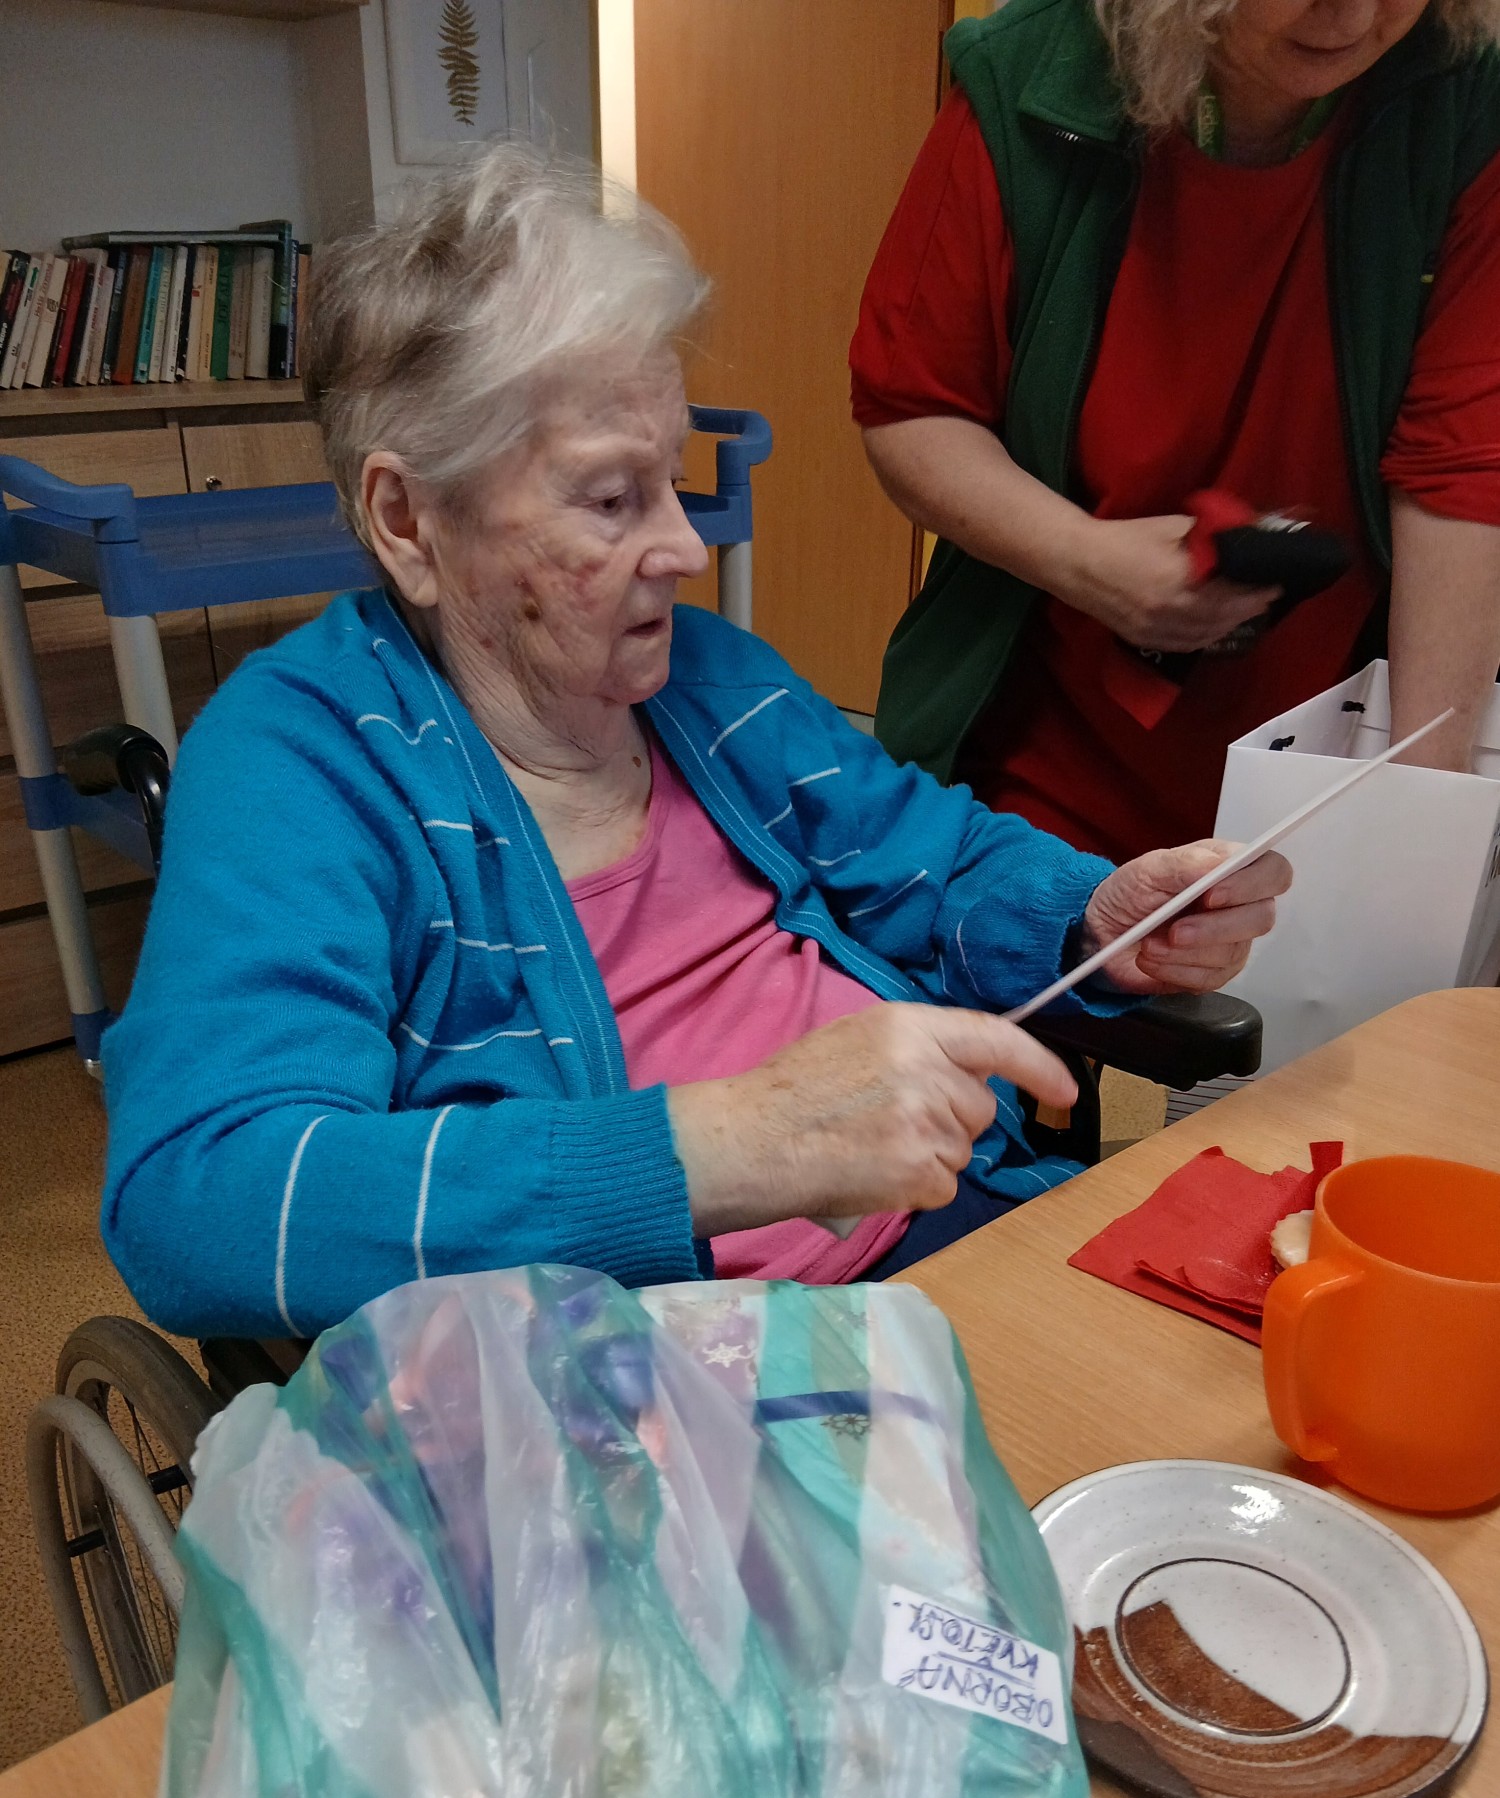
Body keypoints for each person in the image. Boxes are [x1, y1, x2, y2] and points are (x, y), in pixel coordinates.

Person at [100, 147, 1288, 1343]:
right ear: (407, 520)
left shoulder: (713, 682)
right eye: (611, 499)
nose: (685, 548)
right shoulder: (297, 761)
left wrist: (1091, 914)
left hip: (945, 1227)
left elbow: (936, 859)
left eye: (670, 479)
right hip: (636, 1359)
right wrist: (731, 1143)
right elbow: (200, 1197)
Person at [853, 0, 1500, 861]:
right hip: (1037, 752)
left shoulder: (1465, 96)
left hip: (1328, 750)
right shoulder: (1028, 72)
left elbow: (1462, 467)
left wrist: (1421, 809)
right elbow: (913, 409)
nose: (1353, 14)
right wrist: (1085, 558)